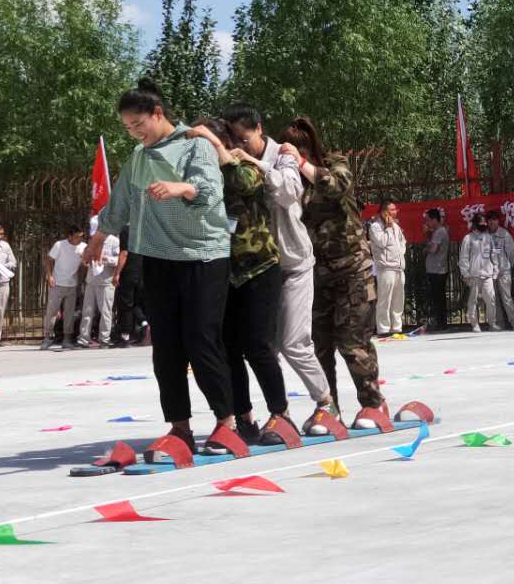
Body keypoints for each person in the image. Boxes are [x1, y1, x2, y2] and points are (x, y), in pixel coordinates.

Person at [84, 79, 238, 457]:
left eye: (138, 124)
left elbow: (209, 191)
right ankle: (179, 427)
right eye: (127, 127)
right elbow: (120, 202)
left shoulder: (195, 145)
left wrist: (180, 188)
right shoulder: (139, 157)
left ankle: (227, 423)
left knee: (201, 340)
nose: (134, 132)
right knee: (165, 346)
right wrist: (99, 237)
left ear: (158, 113)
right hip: (156, 257)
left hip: (202, 255)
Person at [220, 105, 336, 437]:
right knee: (255, 345)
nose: (238, 146)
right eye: (233, 140)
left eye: (244, 139)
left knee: (293, 342)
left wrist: (251, 161)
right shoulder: (230, 163)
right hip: (256, 269)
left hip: (292, 264)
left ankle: (326, 403)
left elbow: (288, 191)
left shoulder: (283, 154)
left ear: (259, 128)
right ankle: (257, 415)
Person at [284, 115, 392, 431]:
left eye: (300, 151)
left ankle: (373, 403)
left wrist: (301, 163)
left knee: (352, 341)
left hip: (352, 269)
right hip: (314, 274)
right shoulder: (292, 180)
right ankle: (328, 407)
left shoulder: (334, 164)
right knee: (319, 345)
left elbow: (337, 186)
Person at [41, 222, 87, 350]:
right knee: (52, 311)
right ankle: (47, 338)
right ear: (69, 236)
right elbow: (48, 260)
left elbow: (85, 264)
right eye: (77, 237)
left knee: (69, 313)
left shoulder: (84, 247)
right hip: (57, 283)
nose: (80, 239)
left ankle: (67, 339)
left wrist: (84, 264)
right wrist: (49, 276)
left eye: (81, 236)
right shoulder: (59, 245)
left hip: (72, 285)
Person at [368, 198, 408, 336]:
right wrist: (388, 228)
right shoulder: (375, 227)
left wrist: (400, 253)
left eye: (395, 209)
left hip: (398, 267)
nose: (395, 212)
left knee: (398, 299)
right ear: (384, 211)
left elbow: (403, 242)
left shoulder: (395, 226)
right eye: (392, 209)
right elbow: (382, 242)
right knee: (385, 299)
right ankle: (383, 328)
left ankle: (397, 327)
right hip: (386, 268)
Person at [79, 216, 119, 346]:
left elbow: (118, 260)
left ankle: (104, 339)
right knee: (87, 311)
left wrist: (106, 259)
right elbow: (85, 258)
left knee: (105, 312)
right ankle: (83, 339)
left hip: (106, 282)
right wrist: (85, 259)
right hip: (91, 280)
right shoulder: (92, 240)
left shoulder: (114, 241)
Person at [459, 213, 498, 332]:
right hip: (473, 275)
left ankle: (492, 323)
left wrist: (495, 269)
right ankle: (474, 324)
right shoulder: (468, 238)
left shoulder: (489, 237)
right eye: (481, 222)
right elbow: (463, 257)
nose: (484, 224)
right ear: (475, 224)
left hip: (487, 274)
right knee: (473, 301)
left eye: (485, 222)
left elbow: (494, 254)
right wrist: (465, 273)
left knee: (491, 299)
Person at [485, 209, 514, 330]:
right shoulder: (484, 235)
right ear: (487, 222)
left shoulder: (504, 234)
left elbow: (512, 253)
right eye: (490, 220)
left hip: (503, 271)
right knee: (493, 298)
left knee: (506, 297)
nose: (492, 222)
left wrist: (506, 265)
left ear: (498, 221)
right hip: (489, 273)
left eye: (494, 220)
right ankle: (499, 324)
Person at [110, 227, 143, 347]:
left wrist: (117, 273)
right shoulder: (142, 230)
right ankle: (140, 329)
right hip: (141, 272)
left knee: (125, 305)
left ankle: (125, 337)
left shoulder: (126, 231)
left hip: (128, 272)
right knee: (136, 304)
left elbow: (124, 253)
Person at [423, 208, 449, 331]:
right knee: (438, 297)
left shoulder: (440, 231)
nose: (426, 223)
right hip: (436, 269)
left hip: (437, 270)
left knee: (438, 297)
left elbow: (433, 249)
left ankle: (441, 323)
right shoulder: (437, 231)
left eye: (428, 220)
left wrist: (426, 249)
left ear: (434, 220)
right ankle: (440, 322)